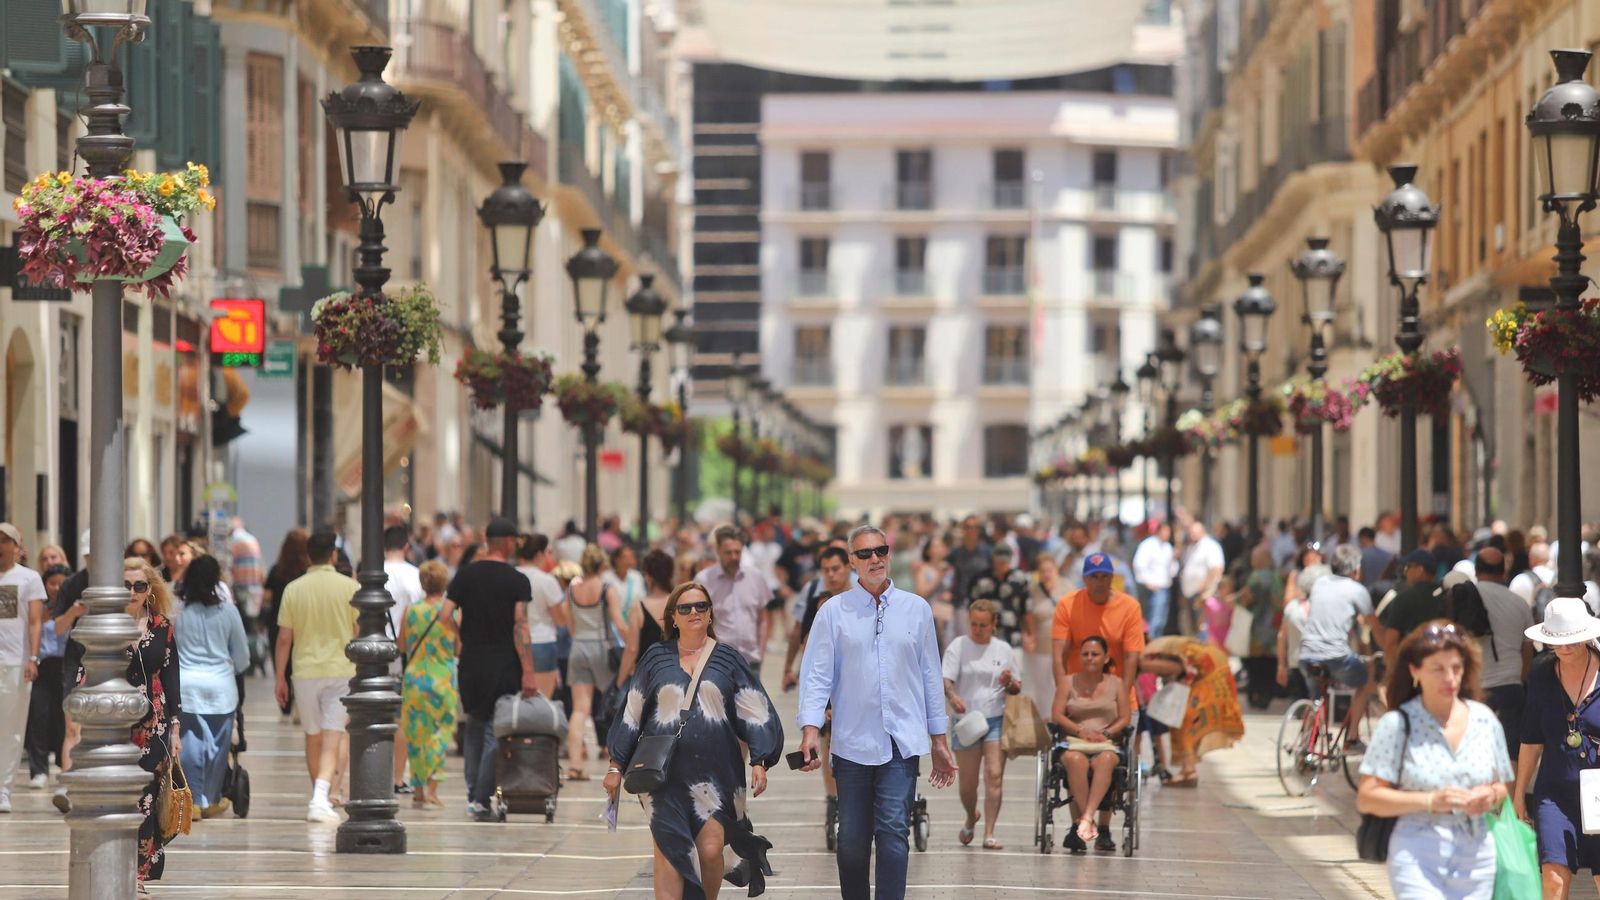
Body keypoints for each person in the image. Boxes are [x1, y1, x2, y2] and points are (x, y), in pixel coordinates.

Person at [797, 525, 956, 900]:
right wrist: (810, 729)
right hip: (851, 744)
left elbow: (930, 676)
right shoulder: (833, 612)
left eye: (880, 551)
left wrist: (939, 740)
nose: (875, 559)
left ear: (889, 554)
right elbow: (817, 675)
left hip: (901, 743)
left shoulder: (916, 609)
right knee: (852, 841)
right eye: (865, 553)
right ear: (851, 561)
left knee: (894, 834)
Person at [604, 582, 783, 900]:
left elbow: (756, 709)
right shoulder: (655, 657)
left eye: (701, 606)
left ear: (710, 613)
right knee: (669, 852)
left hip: (717, 775)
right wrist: (616, 766)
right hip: (663, 776)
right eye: (685, 608)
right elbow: (631, 712)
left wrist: (760, 760)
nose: (694, 612)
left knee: (711, 850)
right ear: (673, 617)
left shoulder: (728, 659)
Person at [1357, 622, 1513, 900]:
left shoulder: (1485, 720)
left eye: (1456, 668)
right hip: (1417, 853)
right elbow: (1368, 797)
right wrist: (1430, 800)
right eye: (1438, 669)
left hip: (1477, 858)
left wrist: (1489, 796)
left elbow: (1501, 786)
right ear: (1415, 671)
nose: (1450, 678)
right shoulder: (1397, 725)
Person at [447, 516, 536, 821]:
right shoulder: (517, 580)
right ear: (509, 542)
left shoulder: (465, 575)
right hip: (503, 663)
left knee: (474, 724)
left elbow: (445, 614)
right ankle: (481, 799)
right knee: (494, 731)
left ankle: (473, 793)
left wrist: (462, 636)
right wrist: (529, 670)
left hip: (471, 662)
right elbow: (520, 627)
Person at [1515, 598, 1600, 900]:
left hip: (1598, 793)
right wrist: (1519, 792)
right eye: (1557, 641)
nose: (1564, 648)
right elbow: (1531, 739)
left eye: (1572, 640)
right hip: (1554, 793)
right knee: (1553, 877)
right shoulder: (1541, 675)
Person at [272, 530, 359, 824]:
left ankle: (318, 795)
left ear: (309, 556)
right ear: (333, 554)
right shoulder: (350, 587)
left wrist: (280, 677)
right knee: (333, 736)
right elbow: (358, 632)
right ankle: (322, 796)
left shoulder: (294, 589)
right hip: (341, 669)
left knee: (313, 736)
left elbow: (285, 638)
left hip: (305, 671)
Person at [109, 556, 182, 892]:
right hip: (114, 724)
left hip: (155, 724)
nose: (133, 592)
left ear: (149, 589)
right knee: (118, 797)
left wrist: (176, 728)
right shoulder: (105, 625)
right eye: (126, 585)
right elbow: (85, 670)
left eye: (139, 585)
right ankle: (115, 865)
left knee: (147, 796)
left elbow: (171, 677)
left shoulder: (161, 626)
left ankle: (137, 873)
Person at [941, 599, 1021, 851]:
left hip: (995, 717)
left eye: (983, 625)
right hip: (966, 721)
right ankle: (970, 815)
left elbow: (1016, 686)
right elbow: (946, 679)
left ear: (994, 624)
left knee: (994, 774)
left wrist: (1009, 681)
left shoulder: (1003, 649)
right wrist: (953, 696)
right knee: (968, 784)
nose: (977, 629)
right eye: (974, 624)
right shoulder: (959, 646)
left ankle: (989, 832)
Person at [174, 554, 249, 818]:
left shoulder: (178, 612)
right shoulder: (228, 612)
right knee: (218, 745)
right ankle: (209, 797)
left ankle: (192, 798)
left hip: (186, 686)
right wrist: (234, 667)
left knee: (190, 743)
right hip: (221, 687)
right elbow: (242, 656)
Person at [1287, 544, 1376, 747]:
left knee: (1317, 696)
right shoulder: (1358, 590)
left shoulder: (1320, 583)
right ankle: (1352, 738)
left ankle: (1307, 743)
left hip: (1306, 654)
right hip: (1336, 656)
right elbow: (1374, 626)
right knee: (1365, 681)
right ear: (1356, 569)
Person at [1052, 634, 1130, 852]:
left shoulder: (1117, 683)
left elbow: (1125, 717)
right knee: (1075, 760)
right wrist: (1081, 731)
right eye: (1085, 654)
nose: (1089, 658)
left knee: (1106, 760)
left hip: (1106, 742)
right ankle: (1088, 821)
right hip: (1074, 741)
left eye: (1095, 654)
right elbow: (1057, 714)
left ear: (1106, 657)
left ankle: (1085, 818)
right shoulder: (1068, 682)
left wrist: (1106, 732)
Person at [1139, 633, 1245, 786]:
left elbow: (1175, 667)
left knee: (1184, 723)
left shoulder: (1155, 652)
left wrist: (1139, 665)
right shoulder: (1169, 646)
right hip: (1213, 682)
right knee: (1186, 725)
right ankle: (1188, 769)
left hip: (1209, 685)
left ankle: (1189, 770)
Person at [401, 560, 458, 809]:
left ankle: (417, 789)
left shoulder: (411, 611)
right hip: (442, 678)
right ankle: (433, 789)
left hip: (414, 677)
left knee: (416, 734)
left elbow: (401, 645)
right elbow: (458, 647)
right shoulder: (451, 613)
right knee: (440, 732)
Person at [1468, 548, 1533, 762]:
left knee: (1474, 752)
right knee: (1510, 753)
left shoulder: (1466, 597)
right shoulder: (1519, 603)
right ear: (1503, 571)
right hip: (1511, 685)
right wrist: (1519, 679)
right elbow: (1527, 650)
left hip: (1476, 687)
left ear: (1476, 570)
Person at [0, 523, 45, 812]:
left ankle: (3, 788)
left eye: (6, 541)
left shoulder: (29, 578)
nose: (1, 546)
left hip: (15, 663)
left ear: (17, 547)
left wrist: (33, 658)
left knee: (12, 728)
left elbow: (35, 621)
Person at [1050, 552, 1145, 684]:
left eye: (1104, 576)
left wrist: (1123, 692)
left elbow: (1131, 657)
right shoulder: (1067, 605)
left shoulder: (1130, 607)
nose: (1100, 582)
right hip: (1078, 691)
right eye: (1094, 577)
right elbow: (1060, 656)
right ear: (1084, 579)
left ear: (1112, 578)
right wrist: (1063, 691)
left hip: (1118, 689)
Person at [379, 523, 424, 794]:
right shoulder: (415, 575)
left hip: (373, 650)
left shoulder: (373, 573)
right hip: (405, 654)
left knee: (374, 713)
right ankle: (397, 777)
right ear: (406, 546)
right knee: (400, 717)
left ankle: (376, 772)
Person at [695, 526, 772, 669]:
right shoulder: (704, 580)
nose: (734, 557)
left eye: (737, 552)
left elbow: (763, 619)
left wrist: (761, 653)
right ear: (718, 551)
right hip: (716, 662)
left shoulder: (755, 577)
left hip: (750, 662)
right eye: (728, 552)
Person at [24, 564, 71, 790]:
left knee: (64, 719)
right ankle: (39, 770)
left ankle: (64, 765)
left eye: (61, 583)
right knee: (38, 719)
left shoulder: (71, 606)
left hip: (64, 665)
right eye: (52, 583)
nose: (56, 588)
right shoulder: (37, 607)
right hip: (41, 666)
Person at [262, 528, 310, 716]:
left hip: (278, 621)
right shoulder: (306, 571)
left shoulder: (277, 570)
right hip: (302, 622)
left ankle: (285, 703)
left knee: (282, 659)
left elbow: (266, 596)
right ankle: (300, 700)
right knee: (298, 660)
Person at [515, 534, 567, 697]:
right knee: (542, 699)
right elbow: (560, 620)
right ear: (539, 554)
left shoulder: (511, 576)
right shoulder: (546, 581)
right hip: (543, 642)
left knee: (519, 699)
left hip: (515, 642)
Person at [616, 549, 675, 686]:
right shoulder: (680, 603)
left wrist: (619, 683)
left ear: (648, 576)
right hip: (677, 675)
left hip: (648, 678)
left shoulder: (638, 606)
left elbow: (632, 649)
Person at [1237, 545, 1285, 709]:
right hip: (1273, 626)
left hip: (1257, 627)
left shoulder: (1256, 577)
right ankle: (1266, 695)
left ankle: (1255, 694)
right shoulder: (1276, 577)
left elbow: (1245, 599)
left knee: (1255, 665)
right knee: (1269, 664)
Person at [1378, 549, 1446, 658]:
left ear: (1420, 570)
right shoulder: (1444, 595)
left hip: (1412, 661)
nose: (1405, 572)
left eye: (1408, 567)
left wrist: (1392, 668)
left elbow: (1391, 643)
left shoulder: (1404, 598)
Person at [964, 543, 1033, 649]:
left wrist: (1030, 634)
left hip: (1013, 638)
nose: (1002, 564)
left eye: (1005, 561)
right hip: (986, 639)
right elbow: (971, 608)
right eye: (999, 561)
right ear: (993, 558)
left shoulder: (1020, 579)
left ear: (1010, 560)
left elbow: (1026, 609)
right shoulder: (979, 580)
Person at [1024, 554, 1061, 719]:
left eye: (1049, 570)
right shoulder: (1033, 591)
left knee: (1060, 685)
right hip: (1041, 647)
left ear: (1056, 570)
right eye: (1043, 571)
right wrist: (1028, 636)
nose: (1046, 574)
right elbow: (1027, 616)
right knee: (1042, 687)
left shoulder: (1067, 587)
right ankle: (1046, 721)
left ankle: (1060, 718)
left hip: (1063, 647)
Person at [1177, 522, 1225, 637]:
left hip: (1204, 595)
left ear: (1202, 531)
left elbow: (1216, 569)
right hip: (1190, 593)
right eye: (1190, 533)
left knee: (1203, 626)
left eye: (1194, 533)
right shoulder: (1191, 547)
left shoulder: (1210, 546)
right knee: (1192, 628)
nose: (1191, 535)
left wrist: (1204, 586)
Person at [1132, 522, 1175, 638]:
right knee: (1154, 619)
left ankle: (1156, 641)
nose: (1167, 534)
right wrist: (1147, 582)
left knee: (1161, 619)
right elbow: (1139, 564)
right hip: (1153, 587)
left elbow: (1171, 567)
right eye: (1165, 531)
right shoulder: (1148, 545)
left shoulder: (1167, 547)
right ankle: (1150, 641)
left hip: (1165, 586)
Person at [913, 534, 954, 649]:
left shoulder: (949, 568)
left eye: (941, 546)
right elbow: (921, 592)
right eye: (935, 546)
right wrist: (939, 576)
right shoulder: (924, 569)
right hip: (931, 615)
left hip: (947, 615)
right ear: (928, 551)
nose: (939, 549)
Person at [1357, 527, 1395, 592]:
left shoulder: (1359, 555)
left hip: (1366, 592)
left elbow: (1359, 577)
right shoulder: (1387, 555)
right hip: (1384, 592)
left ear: (1363, 538)